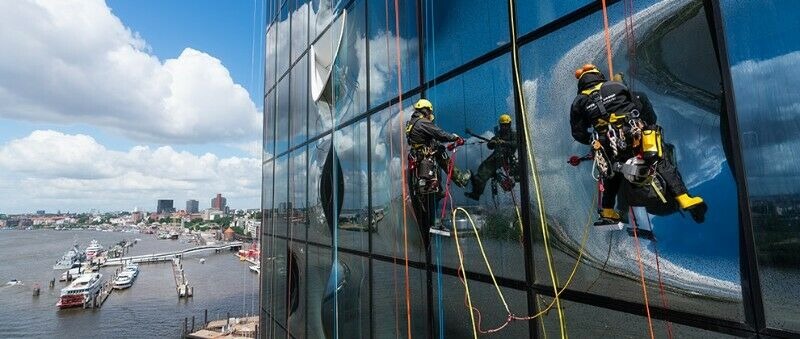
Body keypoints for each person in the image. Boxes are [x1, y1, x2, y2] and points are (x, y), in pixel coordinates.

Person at [569, 64, 707, 229]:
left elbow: (578, 133)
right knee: (658, 162)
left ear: (581, 82)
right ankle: (684, 198)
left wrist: (593, 139)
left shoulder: (578, 102)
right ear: (598, 75)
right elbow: (638, 106)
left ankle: (607, 211)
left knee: (612, 174)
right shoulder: (615, 85)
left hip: (607, 142)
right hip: (632, 132)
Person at [405, 99, 471, 236]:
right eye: (429, 112)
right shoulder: (422, 122)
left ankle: (432, 221)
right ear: (425, 110)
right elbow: (439, 133)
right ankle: (460, 179)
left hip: (420, 159)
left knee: (433, 191)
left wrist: (446, 145)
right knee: (434, 186)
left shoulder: (411, 124)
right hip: (425, 160)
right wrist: (454, 138)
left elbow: (430, 140)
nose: (430, 115)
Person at [465, 114, 518, 201]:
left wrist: (503, 142)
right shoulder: (499, 134)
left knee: (484, 172)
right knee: (482, 170)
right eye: (502, 125)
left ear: (509, 124)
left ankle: (477, 192)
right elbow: (490, 146)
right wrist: (492, 142)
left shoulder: (513, 134)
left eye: (506, 125)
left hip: (506, 158)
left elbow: (515, 144)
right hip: (496, 157)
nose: (504, 127)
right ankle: (476, 193)